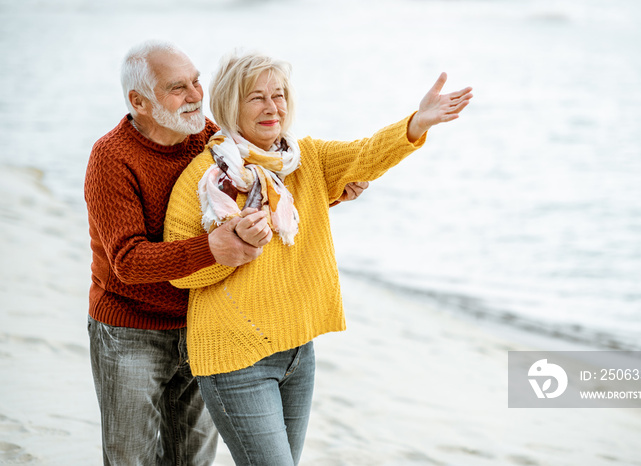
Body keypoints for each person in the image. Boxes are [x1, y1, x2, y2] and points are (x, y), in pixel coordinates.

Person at [163, 52, 473, 465]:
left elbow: (368, 154)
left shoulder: (306, 161)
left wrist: (417, 123)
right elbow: (179, 275)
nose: (273, 107)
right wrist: (232, 246)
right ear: (230, 106)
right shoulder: (203, 178)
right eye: (257, 97)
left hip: (297, 352)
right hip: (234, 358)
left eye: (279, 95)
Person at [84, 40, 367, 466]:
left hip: (203, 326)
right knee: (130, 457)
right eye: (177, 88)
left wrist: (332, 195)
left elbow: (259, 197)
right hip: (132, 331)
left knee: (192, 458)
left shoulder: (211, 138)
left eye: (196, 81)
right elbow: (128, 261)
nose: (197, 95)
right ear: (138, 101)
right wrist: (210, 248)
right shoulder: (112, 158)